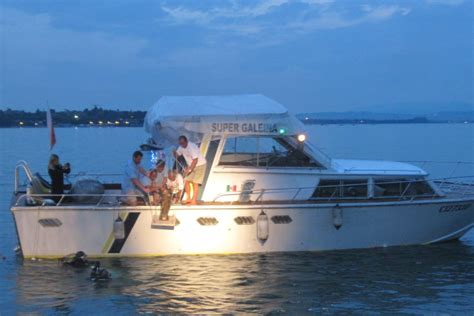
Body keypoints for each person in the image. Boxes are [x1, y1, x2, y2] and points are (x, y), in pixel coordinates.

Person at [173, 135, 207, 205]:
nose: (182, 145)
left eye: (183, 143)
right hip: (191, 165)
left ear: (186, 141)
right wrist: (174, 153)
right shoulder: (181, 147)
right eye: (181, 144)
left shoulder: (191, 147)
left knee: (195, 182)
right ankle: (188, 198)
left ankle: (194, 201)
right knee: (186, 180)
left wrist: (189, 170)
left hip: (200, 164)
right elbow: (178, 156)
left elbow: (195, 160)